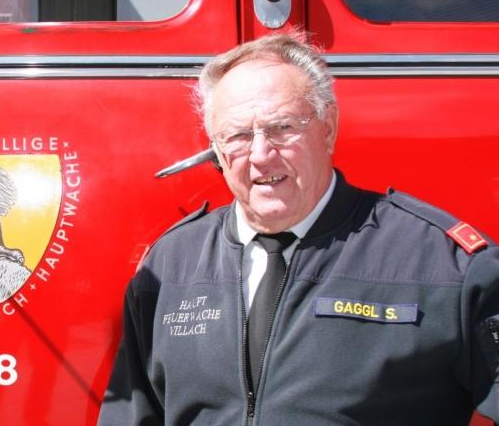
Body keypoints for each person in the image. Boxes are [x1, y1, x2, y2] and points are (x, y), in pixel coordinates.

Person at [98, 33, 499, 425]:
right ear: (216, 149)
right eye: (237, 135)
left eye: (282, 127)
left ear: (328, 128)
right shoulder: (170, 266)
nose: (260, 155)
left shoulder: (443, 266)